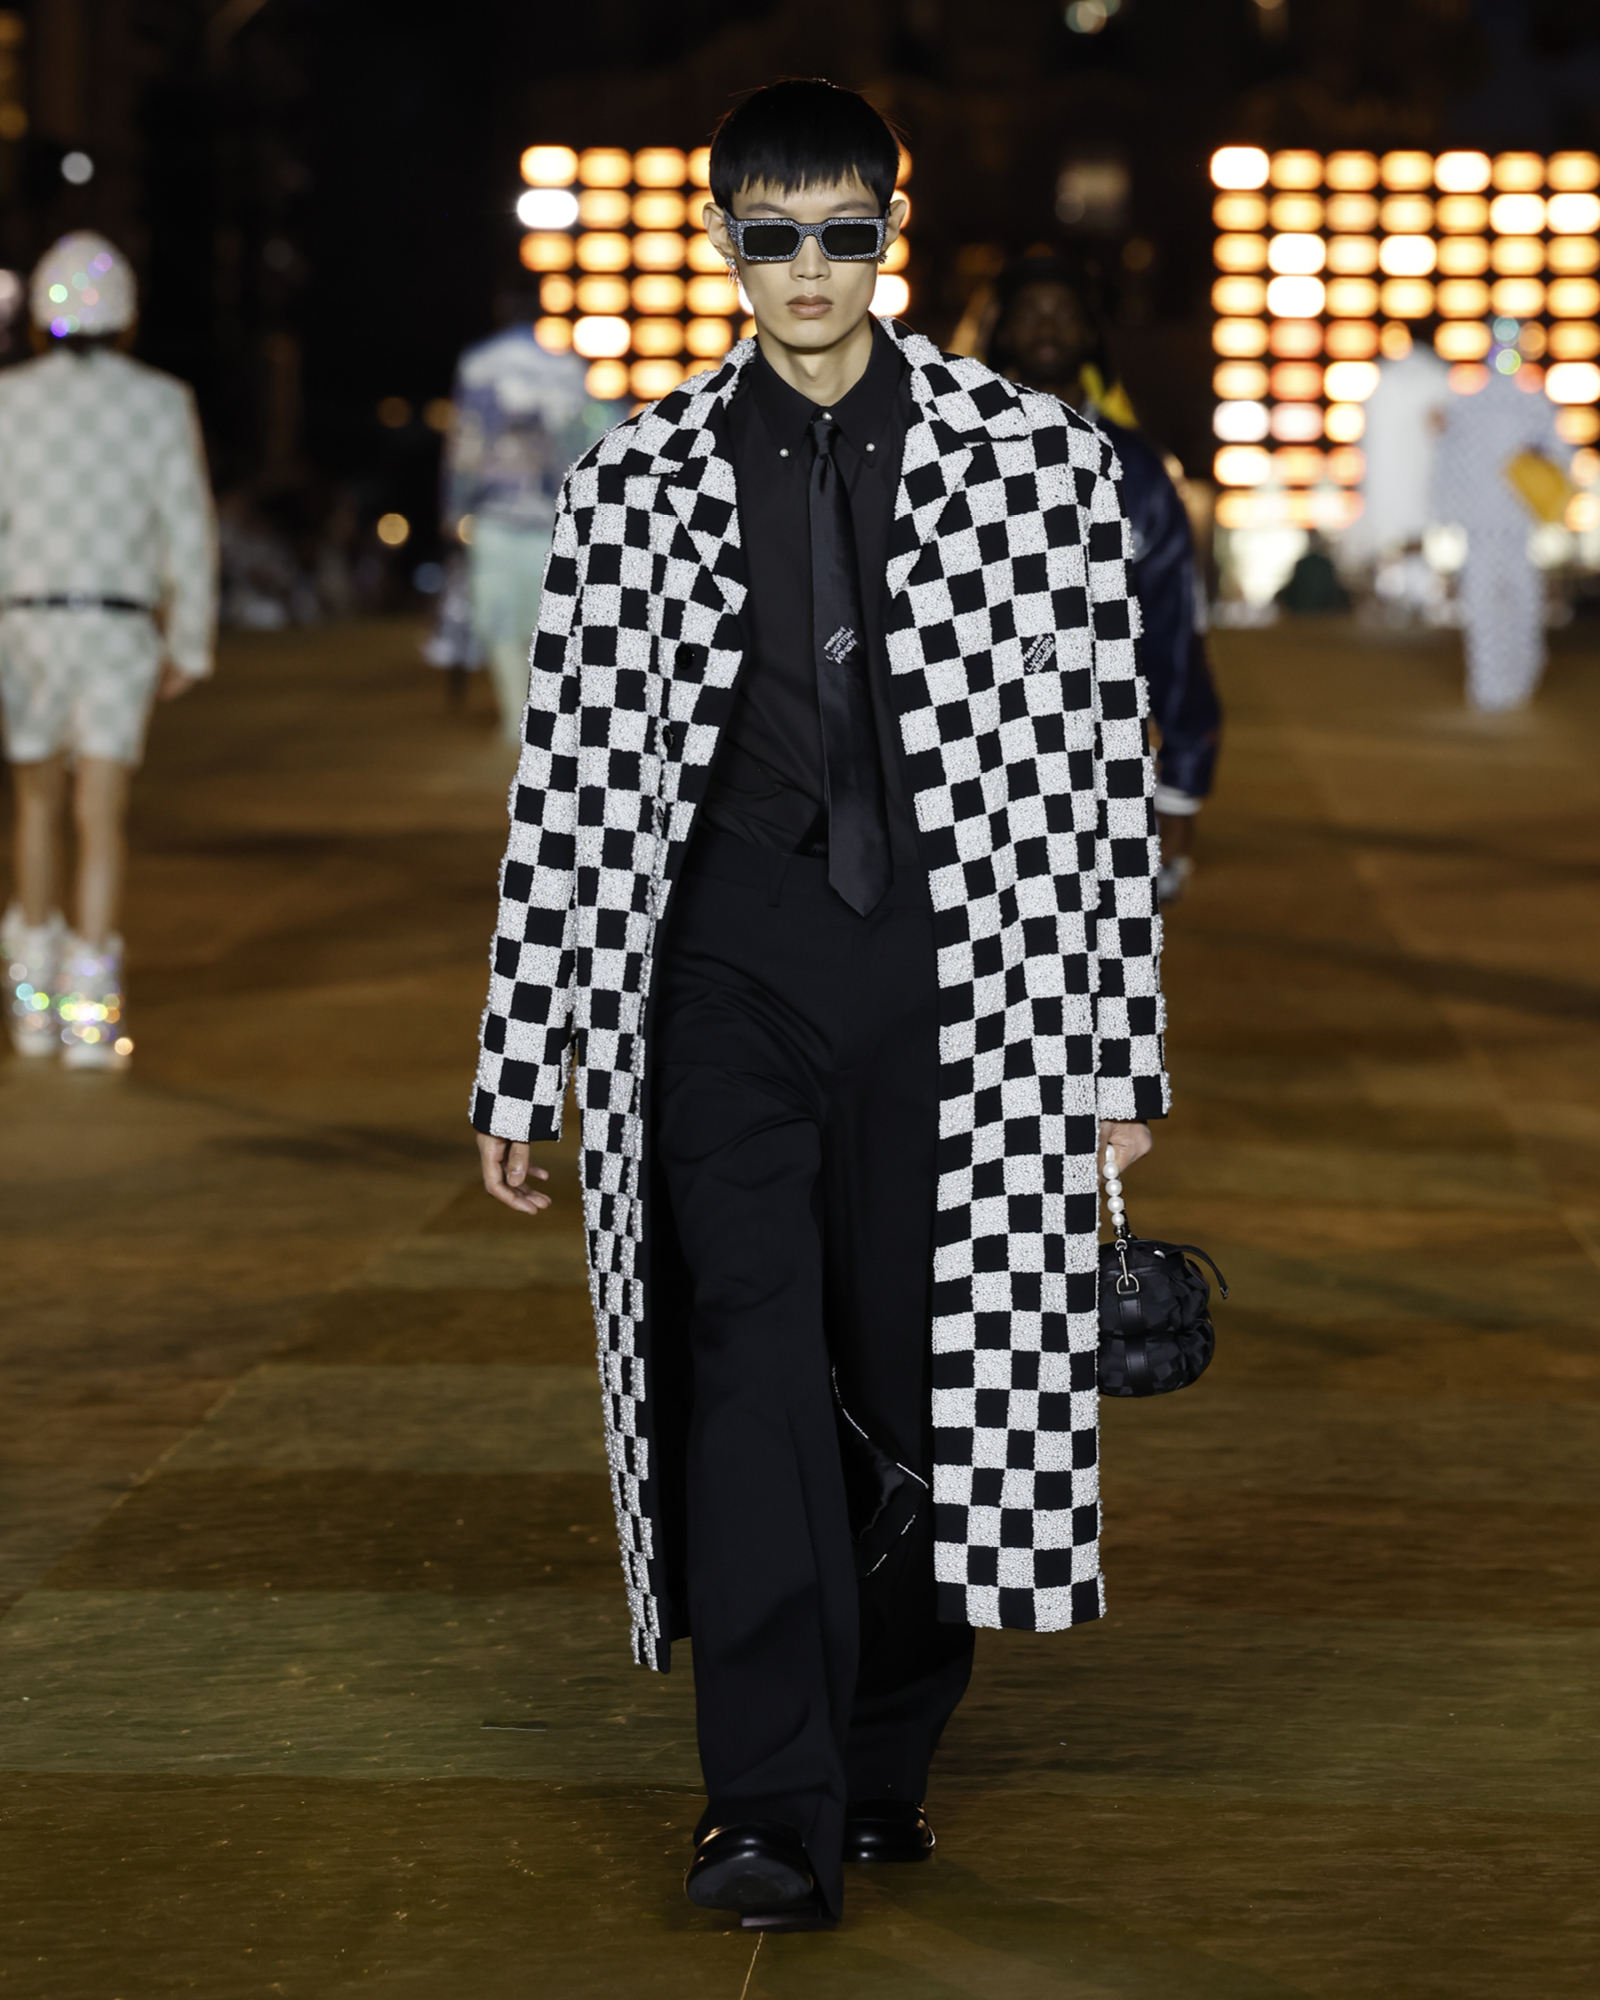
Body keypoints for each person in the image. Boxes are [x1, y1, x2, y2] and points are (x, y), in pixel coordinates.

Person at [472, 80, 1168, 1930]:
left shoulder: (1039, 462)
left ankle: (880, 1748)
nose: (808, 269)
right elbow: (570, 780)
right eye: (772, 234)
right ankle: (763, 1801)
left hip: (967, 969)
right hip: (720, 963)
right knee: (751, 1352)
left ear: (891, 235)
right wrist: (524, 1054)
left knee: (926, 1367)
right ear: (722, 243)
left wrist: (1119, 1052)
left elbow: (1099, 774)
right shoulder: (631, 482)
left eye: (843, 232)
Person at [1, 232, 217, 1068]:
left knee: (35, 806)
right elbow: (187, 524)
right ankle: (90, 1017)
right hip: (121, 625)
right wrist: (189, 640)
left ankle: (31, 1003)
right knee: (101, 813)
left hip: (26, 622)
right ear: (126, 316)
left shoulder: (10, 399)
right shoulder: (161, 401)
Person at [983, 251, 1222, 905]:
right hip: (972, 769)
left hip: (1100, 769)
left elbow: (1176, 627)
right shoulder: (949, 457)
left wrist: (1181, 785)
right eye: (1030, 313)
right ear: (1004, 331)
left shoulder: (1139, 471)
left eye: (1064, 313)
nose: (1047, 327)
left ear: (1091, 333)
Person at [440, 320, 616, 742]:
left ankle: (516, 717)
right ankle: (547, 719)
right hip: (553, 521)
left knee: (500, 621)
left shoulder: (479, 364)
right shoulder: (567, 369)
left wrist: (454, 505)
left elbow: (466, 443)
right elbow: (589, 441)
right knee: (549, 622)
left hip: (495, 519)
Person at [1433, 350, 1570, 712]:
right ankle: (1507, 682)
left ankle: (1499, 684)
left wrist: (1445, 511)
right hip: (1501, 525)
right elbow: (1561, 459)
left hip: (1499, 525)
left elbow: (1445, 462)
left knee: (1496, 603)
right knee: (1513, 601)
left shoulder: (1476, 404)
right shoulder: (1525, 404)